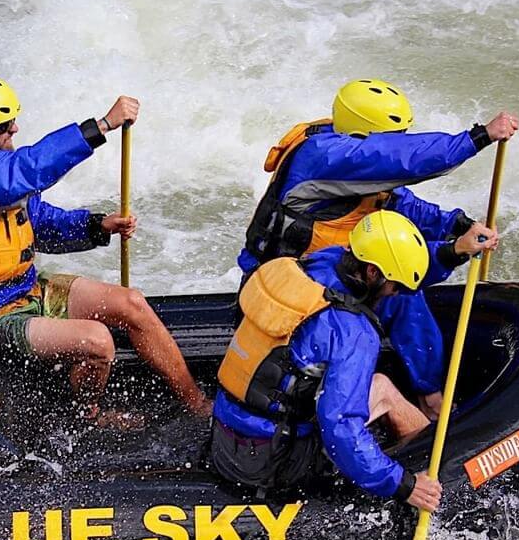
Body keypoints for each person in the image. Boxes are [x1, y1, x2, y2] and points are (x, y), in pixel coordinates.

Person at [0, 73, 210, 423]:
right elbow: (28, 169)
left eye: (12, 122)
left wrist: (95, 226)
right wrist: (101, 125)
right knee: (97, 341)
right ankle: (84, 417)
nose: (13, 130)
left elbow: (36, 223)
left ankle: (196, 404)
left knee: (131, 302)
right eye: (3, 126)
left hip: (28, 291)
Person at [237, 78, 518, 420]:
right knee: (400, 292)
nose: (398, 142)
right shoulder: (326, 157)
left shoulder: (348, 153)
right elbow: (405, 159)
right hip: (288, 287)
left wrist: (458, 225)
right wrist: (479, 137)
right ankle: (431, 402)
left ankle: (427, 389)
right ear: (364, 136)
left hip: (323, 272)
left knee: (395, 269)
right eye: (393, 136)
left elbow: (395, 199)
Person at [210, 210, 495, 510]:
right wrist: (403, 484)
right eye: (394, 285)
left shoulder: (317, 264)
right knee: (382, 388)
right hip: (272, 464)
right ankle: (443, 480)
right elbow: (339, 427)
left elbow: (394, 267)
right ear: (372, 272)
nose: (396, 292)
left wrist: (453, 251)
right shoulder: (352, 333)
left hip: (228, 440)